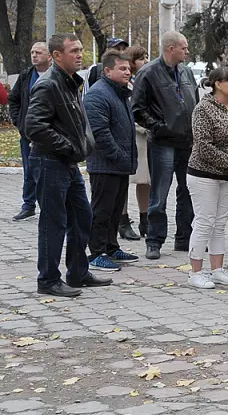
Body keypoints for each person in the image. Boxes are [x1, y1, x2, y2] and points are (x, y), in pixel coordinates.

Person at [24, 34, 111, 298]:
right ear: (57, 56)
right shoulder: (48, 84)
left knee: (82, 216)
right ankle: (48, 279)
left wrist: (78, 148)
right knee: (54, 222)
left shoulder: (70, 82)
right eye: (73, 50)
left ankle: (77, 272)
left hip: (67, 163)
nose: (79, 54)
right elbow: (34, 127)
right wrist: (68, 147)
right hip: (50, 161)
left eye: (80, 50)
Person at [132, 30, 199, 260]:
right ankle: (154, 240)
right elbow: (138, 109)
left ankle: (184, 239)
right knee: (159, 194)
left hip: (187, 142)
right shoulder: (148, 73)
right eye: (184, 47)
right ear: (171, 48)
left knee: (187, 191)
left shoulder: (187, 72)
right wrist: (158, 127)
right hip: (162, 143)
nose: (187, 51)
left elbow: (194, 103)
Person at [186, 66, 228, 289]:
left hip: (227, 175)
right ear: (217, 84)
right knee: (204, 221)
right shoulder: (203, 109)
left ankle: (217, 270)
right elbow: (203, 146)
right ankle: (195, 272)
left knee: (220, 223)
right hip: (203, 174)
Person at [81, 49, 139, 273]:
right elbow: (100, 134)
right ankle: (96, 253)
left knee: (115, 210)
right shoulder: (99, 94)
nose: (128, 72)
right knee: (102, 210)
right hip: (105, 165)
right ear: (107, 71)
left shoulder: (120, 93)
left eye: (128, 68)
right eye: (122, 69)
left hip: (120, 165)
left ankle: (111, 247)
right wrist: (120, 157)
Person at [10, 41, 52, 222]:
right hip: (28, 134)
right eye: (32, 52)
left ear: (50, 56)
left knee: (49, 171)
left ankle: (49, 207)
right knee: (29, 169)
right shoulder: (26, 75)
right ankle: (28, 205)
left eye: (39, 52)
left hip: (50, 134)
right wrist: (19, 122)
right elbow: (14, 99)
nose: (34, 55)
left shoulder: (56, 75)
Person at [120, 46, 151, 242]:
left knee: (145, 180)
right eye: (141, 58)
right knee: (124, 181)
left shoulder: (147, 80)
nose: (146, 61)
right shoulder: (124, 83)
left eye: (147, 57)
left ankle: (145, 219)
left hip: (146, 139)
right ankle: (122, 221)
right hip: (129, 137)